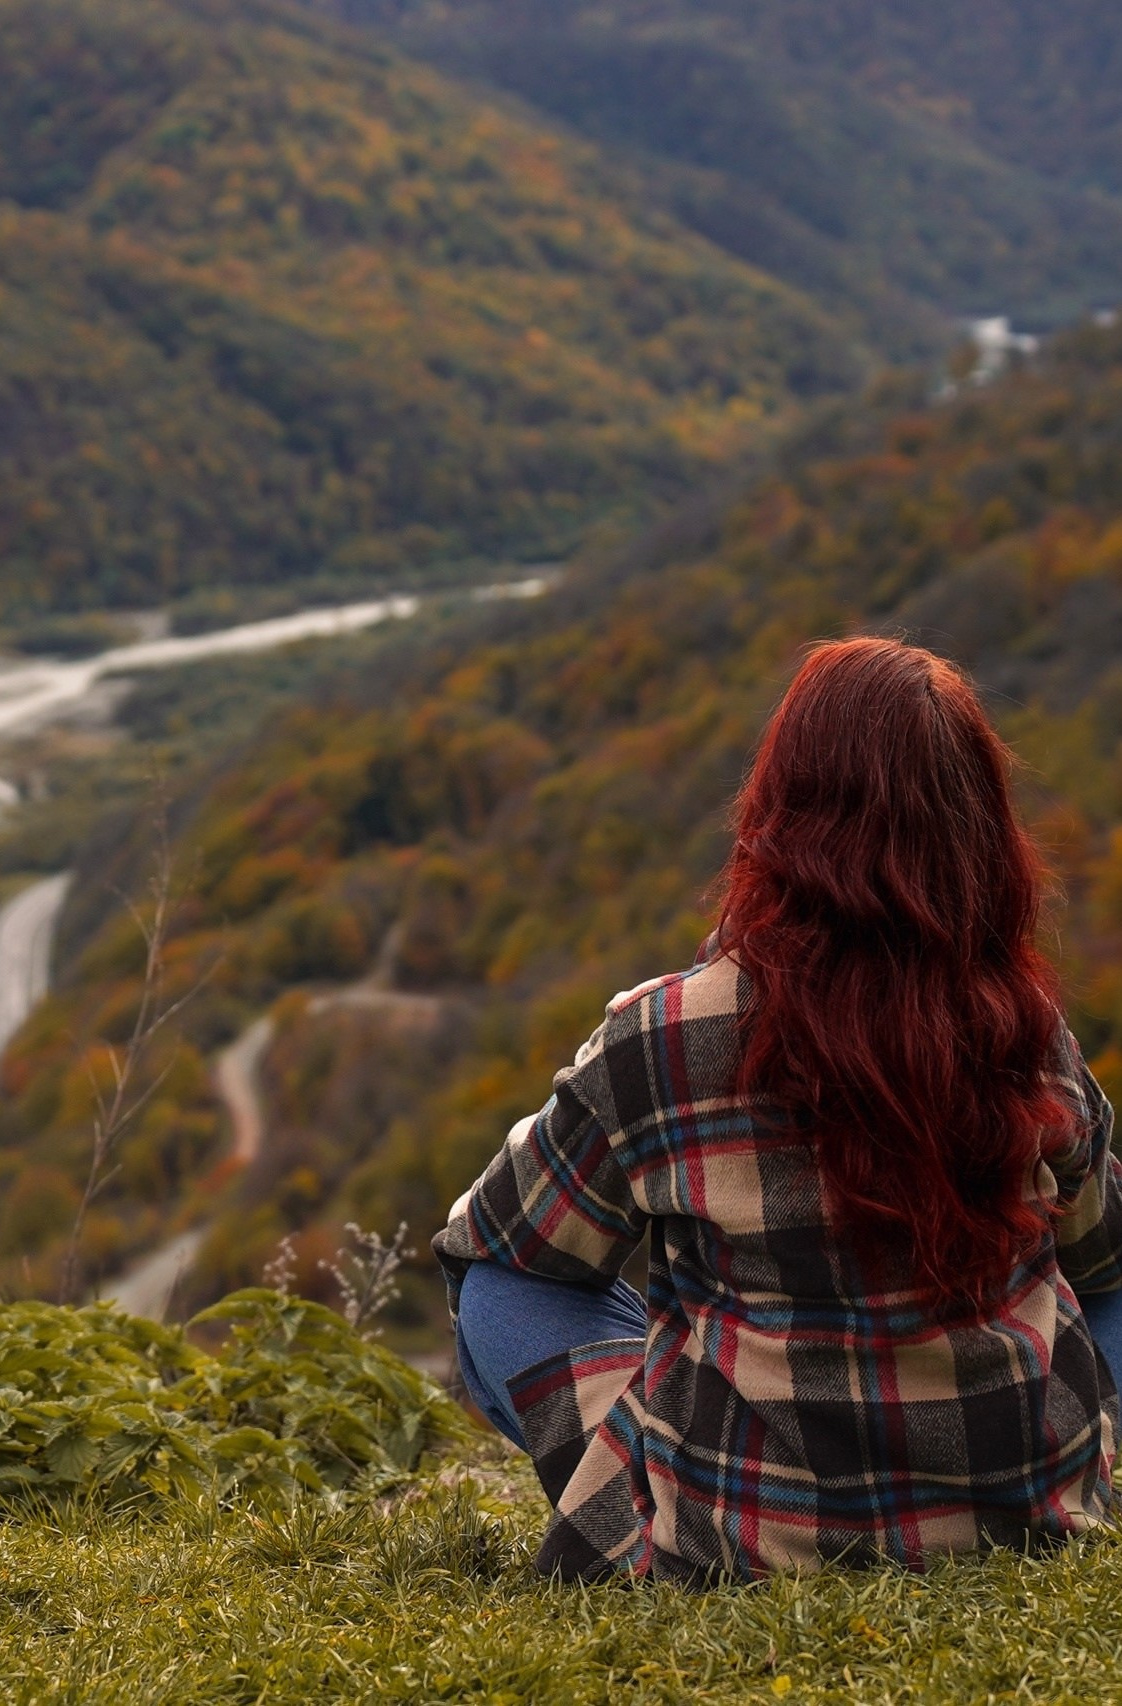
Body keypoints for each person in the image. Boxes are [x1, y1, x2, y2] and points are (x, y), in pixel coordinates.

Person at [435, 637, 1122, 1583]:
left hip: (749, 1542)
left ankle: (666, 1487)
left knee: (500, 1285)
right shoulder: (1026, 1033)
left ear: (779, 815)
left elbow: (502, 1244)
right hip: (1025, 1521)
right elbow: (1106, 1257)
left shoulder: (664, 1037)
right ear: (980, 833)